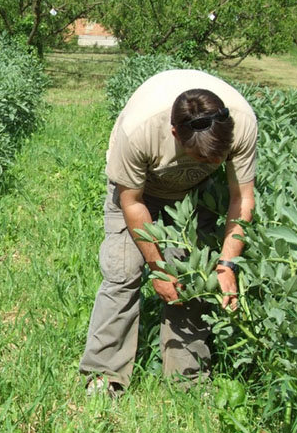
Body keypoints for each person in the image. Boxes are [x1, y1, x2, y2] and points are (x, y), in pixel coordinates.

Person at [80, 69, 257, 396]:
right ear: (175, 133)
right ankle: (104, 375)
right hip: (138, 191)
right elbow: (131, 202)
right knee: (123, 273)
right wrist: (158, 269)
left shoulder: (242, 122)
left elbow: (241, 197)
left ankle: (186, 379)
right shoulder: (139, 130)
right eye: (202, 156)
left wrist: (227, 265)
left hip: (195, 193)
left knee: (192, 275)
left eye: (219, 156)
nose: (215, 160)